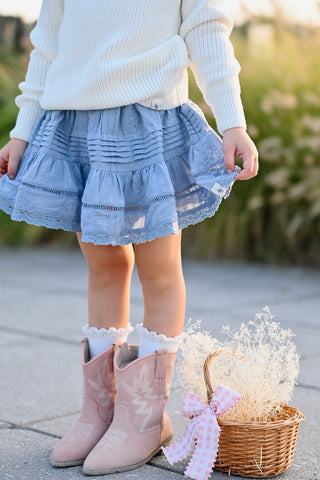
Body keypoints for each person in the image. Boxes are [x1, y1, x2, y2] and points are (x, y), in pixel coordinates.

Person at [0, 0, 258, 475]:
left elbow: (207, 32)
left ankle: (144, 417)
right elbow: (47, 47)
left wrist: (232, 122)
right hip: (76, 127)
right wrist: (22, 131)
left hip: (147, 122)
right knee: (104, 264)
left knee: (159, 268)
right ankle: (101, 411)